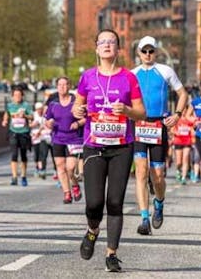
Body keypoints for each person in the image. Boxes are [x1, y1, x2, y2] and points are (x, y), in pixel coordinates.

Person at [75, 29, 146, 273]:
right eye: (102, 42)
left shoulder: (128, 78)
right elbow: (77, 106)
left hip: (122, 146)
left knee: (114, 201)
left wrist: (126, 110)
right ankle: (92, 230)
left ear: (118, 49)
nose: (107, 45)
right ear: (96, 48)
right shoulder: (87, 77)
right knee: (94, 203)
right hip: (94, 145)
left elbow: (141, 112)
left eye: (111, 42)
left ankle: (112, 254)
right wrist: (78, 112)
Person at [131, 36, 188, 236]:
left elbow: (183, 94)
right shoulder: (132, 74)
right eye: (144, 51)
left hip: (158, 125)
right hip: (138, 124)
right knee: (141, 171)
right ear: (138, 53)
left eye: (151, 51)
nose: (148, 55)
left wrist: (177, 115)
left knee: (157, 176)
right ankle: (144, 218)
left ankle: (159, 203)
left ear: (155, 52)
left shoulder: (165, 70)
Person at [45, 76, 85, 204]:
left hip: (73, 139)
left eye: (65, 84)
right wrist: (49, 123)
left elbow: (86, 118)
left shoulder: (76, 102)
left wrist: (78, 124)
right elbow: (47, 120)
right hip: (58, 138)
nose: (63, 87)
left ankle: (75, 185)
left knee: (70, 168)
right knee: (60, 167)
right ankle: (67, 193)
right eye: (60, 85)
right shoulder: (53, 104)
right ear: (57, 87)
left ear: (69, 86)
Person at [2, 87, 33, 186]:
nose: (17, 97)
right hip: (13, 132)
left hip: (24, 132)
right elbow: (6, 115)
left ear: (22, 96)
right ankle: (14, 177)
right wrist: (5, 121)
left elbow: (32, 116)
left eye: (19, 95)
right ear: (12, 96)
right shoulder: (10, 106)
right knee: (14, 154)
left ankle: (23, 176)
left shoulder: (26, 105)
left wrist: (25, 116)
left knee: (23, 155)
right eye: (15, 95)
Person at [172, 117, 194, 185]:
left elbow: (193, 129)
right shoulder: (176, 118)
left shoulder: (189, 119)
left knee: (185, 158)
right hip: (178, 141)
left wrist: (192, 130)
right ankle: (178, 171)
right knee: (179, 162)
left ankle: (183, 178)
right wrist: (176, 132)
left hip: (187, 141)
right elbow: (171, 129)